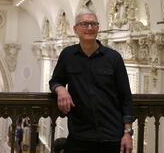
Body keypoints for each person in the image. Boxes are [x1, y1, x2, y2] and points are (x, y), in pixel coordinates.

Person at [49, 9, 135, 153]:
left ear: (98, 28)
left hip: (111, 136)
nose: (89, 28)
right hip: (79, 136)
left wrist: (128, 133)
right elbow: (55, 80)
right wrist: (61, 89)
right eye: (85, 24)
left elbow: (126, 97)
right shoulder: (68, 55)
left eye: (93, 24)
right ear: (75, 29)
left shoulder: (113, 58)